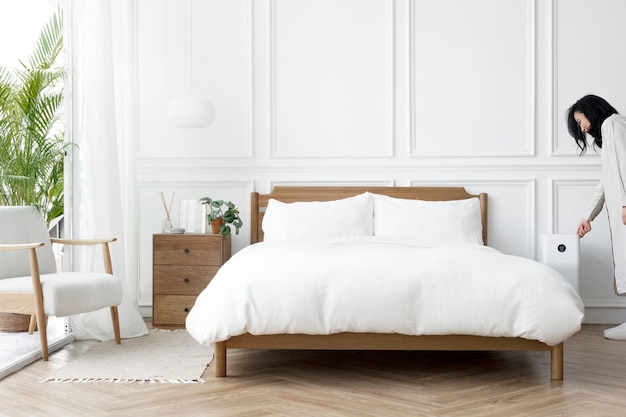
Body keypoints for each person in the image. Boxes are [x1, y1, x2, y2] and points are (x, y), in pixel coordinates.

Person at [568, 94, 626, 340]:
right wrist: (587, 216)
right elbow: (606, 179)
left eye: (581, 121)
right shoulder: (611, 127)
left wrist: (625, 203)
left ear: (591, 111)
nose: (582, 128)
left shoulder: (612, 124)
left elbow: (625, 165)